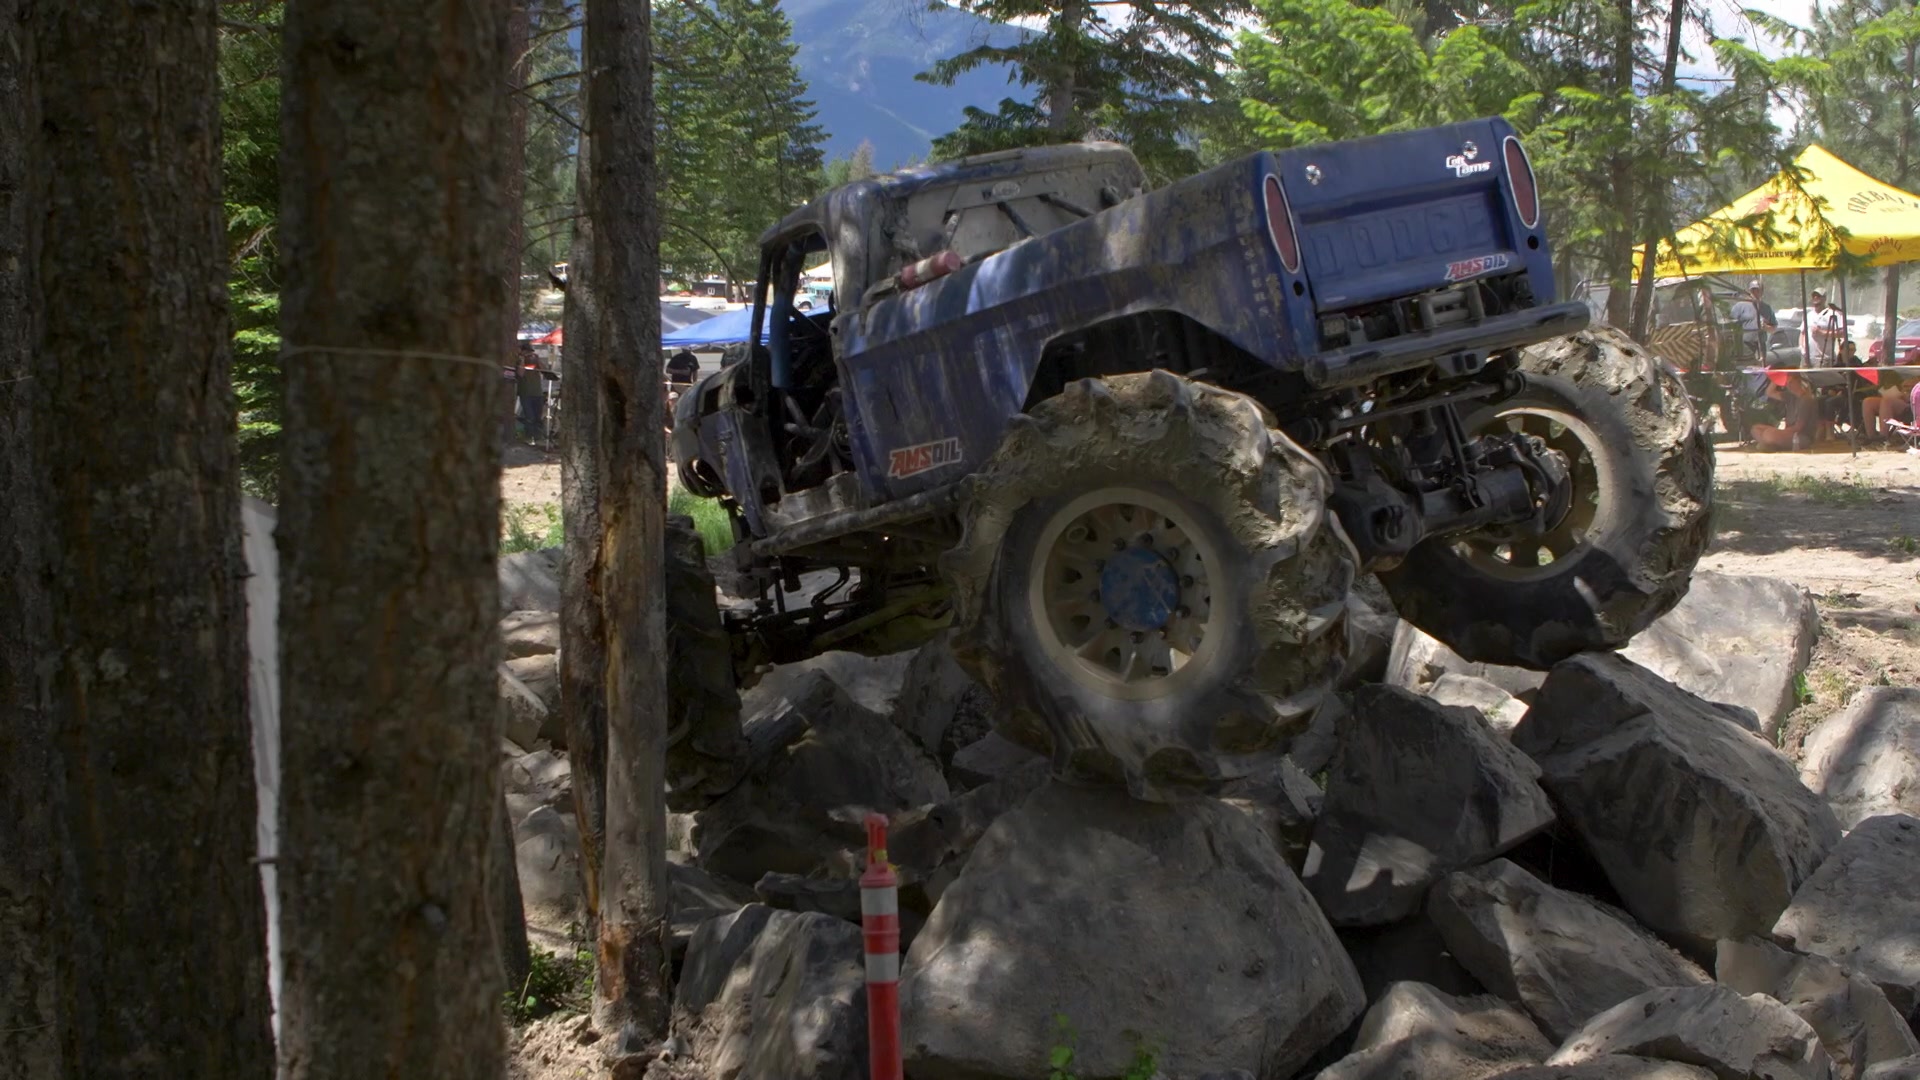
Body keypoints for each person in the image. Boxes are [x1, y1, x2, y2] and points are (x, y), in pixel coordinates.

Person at [1749, 375, 1825, 451]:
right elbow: (1769, 392)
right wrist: (1778, 377)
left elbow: (1798, 427)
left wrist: (1780, 432)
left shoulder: (1806, 400)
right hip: (1788, 432)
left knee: (1769, 434)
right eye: (1787, 383)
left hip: (1801, 436)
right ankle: (1770, 445)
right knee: (1755, 429)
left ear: (1798, 382)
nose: (1789, 386)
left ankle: (1769, 444)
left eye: (1791, 382)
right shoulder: (1790, 396)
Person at [1728, 279, 1777, 363]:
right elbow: (1730, 324)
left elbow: (1774, 328)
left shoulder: (1766, 308)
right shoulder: (1740, 306)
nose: (1755, 293)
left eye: (1757, 290)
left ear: (1762, 292)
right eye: (1753, 290)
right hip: (1745, 346)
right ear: (1749, 291)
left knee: (1761, 368)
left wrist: (1766, 327)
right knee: (1747, 366)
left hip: (1761, 346)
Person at [516, 342, 552, 444]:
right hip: (526, 393)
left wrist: (537, 360)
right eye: (526, 352)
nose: (529, 355)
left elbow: (545, 370)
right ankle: (529, 437)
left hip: (537, 392)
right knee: (529, 417)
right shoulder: (519, 361)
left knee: (538, 417)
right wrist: (522, 360)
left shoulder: (535, 361)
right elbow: (520, 374)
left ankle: (538, 437)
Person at [1804, 288, 1846, 366]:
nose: (1815, 297)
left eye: (1818, 296)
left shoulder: (1832, 313)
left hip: (1823, 359)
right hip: (1807, 358)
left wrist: (1822, 332)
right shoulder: (1809, 315)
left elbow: (1842, 333)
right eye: (1814, 296)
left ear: (1824, 298)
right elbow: (1802, 333)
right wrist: (1802, 349)